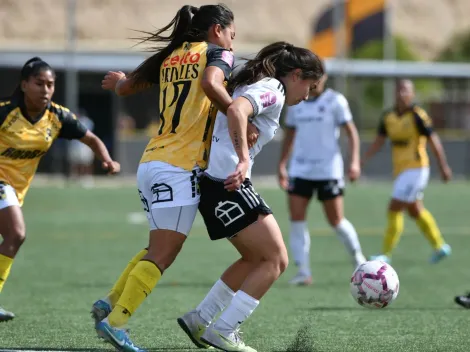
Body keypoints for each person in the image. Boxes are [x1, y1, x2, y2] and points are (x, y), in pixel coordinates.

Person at [90, 4, 245, 352]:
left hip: (152, 161)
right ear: (218, 30)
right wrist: (236, 113)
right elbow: (210, 83)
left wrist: (117, 85)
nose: (233, 41)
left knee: (156, 247)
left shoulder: (171, 54)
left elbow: (127, 87)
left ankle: (110, 301)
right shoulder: (217, 54)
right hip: (178, 166)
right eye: (232, 33)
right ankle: (116, 323)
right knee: (164, 252)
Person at [177, 42, 324, 352]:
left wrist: (247, 130)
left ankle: (199, 319)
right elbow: (236, 109)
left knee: (255, 257)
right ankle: (224, 330)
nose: (308, 95)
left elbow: (235, 108)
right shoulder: (274, 88)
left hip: (215, 182)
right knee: (276, 260)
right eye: (310, 86)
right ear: (296, 75)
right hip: (227, 181)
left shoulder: (256, 82)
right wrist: (244, 159)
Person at [0, 57, 120, 322]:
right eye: (39, 83)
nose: (45, 90)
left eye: (50, 84)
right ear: (23, 84)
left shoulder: (58, 116)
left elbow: (90, 138)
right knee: (16, 233)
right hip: (1, 184)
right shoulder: (5, 112)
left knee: (12, 237)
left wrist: (107, 159)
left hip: (15, 192)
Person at [277, 74, 366, 286]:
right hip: (300, 170)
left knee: (336, 220)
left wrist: (354, 162)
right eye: (310, 75)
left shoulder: (336, 101)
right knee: (297, 220)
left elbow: (352, 133)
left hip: (329, 171)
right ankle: (303, 272)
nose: (315, 80)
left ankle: (359, 260)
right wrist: (282, 165)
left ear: (325, 77)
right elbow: (289, 135)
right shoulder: (295, 102)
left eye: (318, 75)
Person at [363, 79, 452, 264]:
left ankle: (385, 254)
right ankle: (440, 246)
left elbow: (433, 140)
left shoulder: (417, 115)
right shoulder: (388, 116)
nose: (402, 94)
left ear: (412, 94)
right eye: (399, 90)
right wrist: (362, 160)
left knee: (394, 207)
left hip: (417, 168)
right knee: (415, 210)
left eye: (406, 91)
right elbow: (379, 141)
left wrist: (443, 166)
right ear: (394, 93)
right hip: (402, 172)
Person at [68, 109, 96, 187]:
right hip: (75, 145)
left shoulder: (88, 122)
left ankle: (87, 178)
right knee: (75, 163)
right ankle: (75, 177)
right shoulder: (73, 121)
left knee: (86, 163)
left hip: (85, 146)